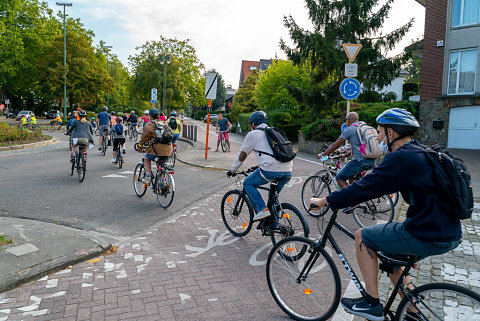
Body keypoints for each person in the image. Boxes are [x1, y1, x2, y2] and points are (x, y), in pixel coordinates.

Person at [309, 108, 461, 321]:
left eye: (379, 132)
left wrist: (326, 200)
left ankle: (371, 303)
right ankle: (413, 313)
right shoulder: (422, 152)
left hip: (426, 232)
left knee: (363, 235)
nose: (377, 138)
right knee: (391, 261)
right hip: (449, 232)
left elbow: (364, 187)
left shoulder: (401, 158)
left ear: (391, 134)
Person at [227, 111, 292, 221]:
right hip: (288, 170)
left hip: (270, 170)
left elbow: (242, 155)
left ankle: (262, 210)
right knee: (273, 196)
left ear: (253, 124)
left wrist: (233, 170)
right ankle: (274, 226)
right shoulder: (273, 132)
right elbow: (270, 153)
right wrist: (258, 166)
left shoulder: (253, 134)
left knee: (247, 183)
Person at [318, 112, 375, 189]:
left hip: (360, 162)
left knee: (339, 178)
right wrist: (345, 155)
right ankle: (356, 196)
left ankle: (350, 197)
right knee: (351, 176)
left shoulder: (350, 129)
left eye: (345, 120)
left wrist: (323, 154)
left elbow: (335, 145)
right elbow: (361, 147)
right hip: (372, 160)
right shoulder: (365, 128)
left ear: (348, 120)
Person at [136, 108, 172, 186]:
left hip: (156, 150)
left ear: (150, 116)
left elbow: (144, 139)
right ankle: (164, 181)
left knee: (147, 159)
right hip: (168, 149)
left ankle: (148, 178)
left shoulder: (148, 125)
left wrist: (139, 147)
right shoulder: (165, 123)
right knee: (160, 164)